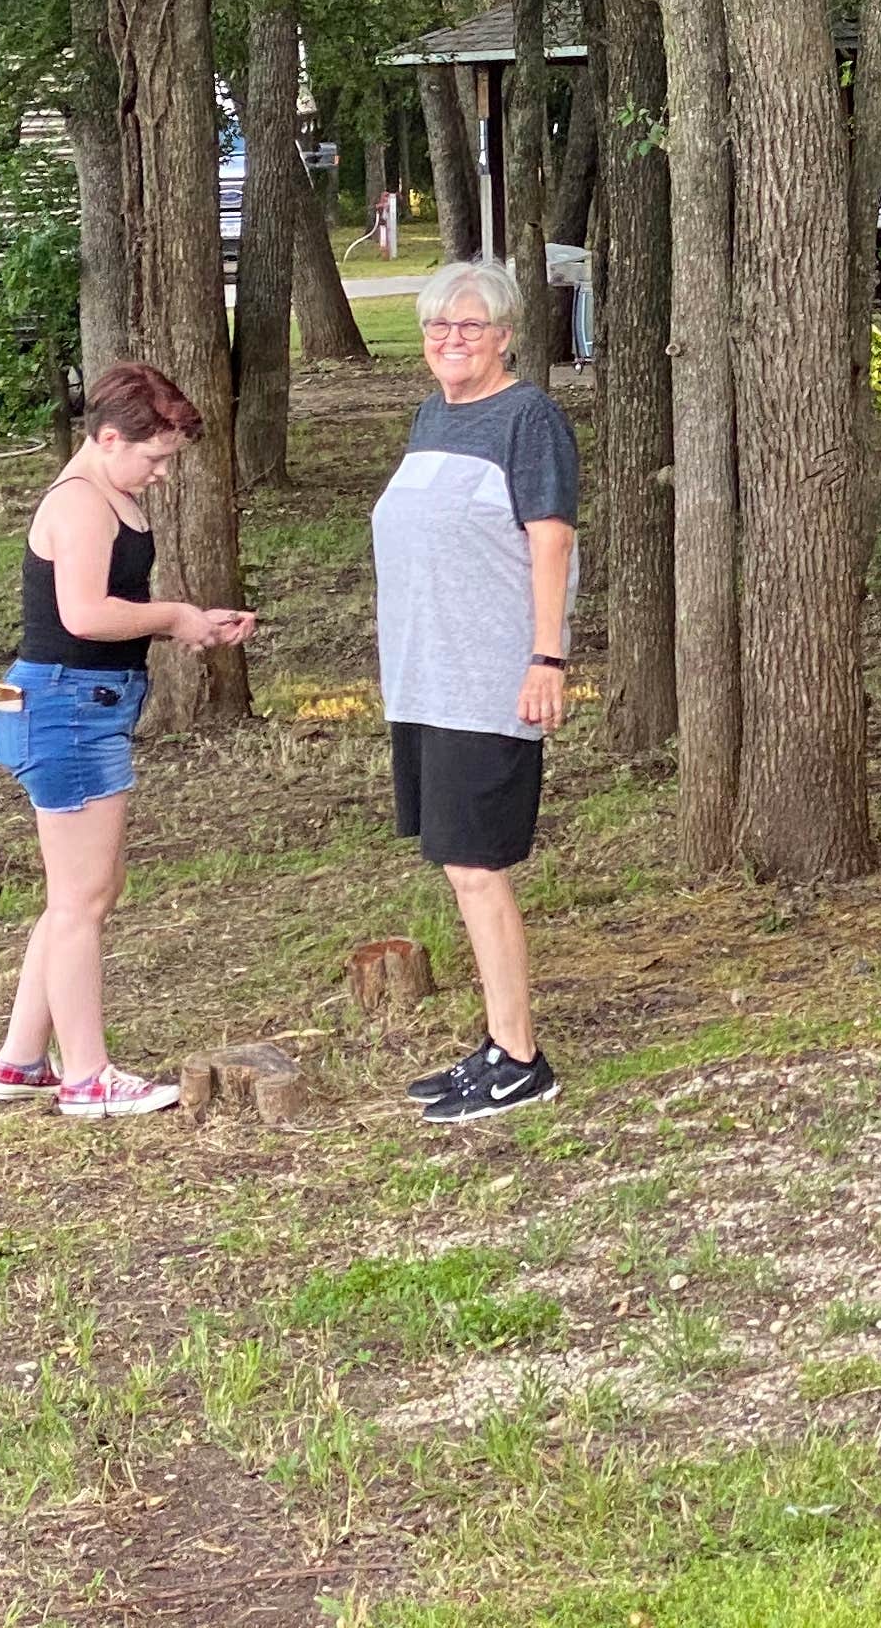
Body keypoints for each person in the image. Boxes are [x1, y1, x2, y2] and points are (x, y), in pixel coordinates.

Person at [0, 362, 256, 1119]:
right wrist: (175, 619)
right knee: (83, 900)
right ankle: (88, 1078)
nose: (164, 474)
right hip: (64, 707)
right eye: (155, 457)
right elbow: (83, 615)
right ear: (108, 439)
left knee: (76, 896)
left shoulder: (109, 492)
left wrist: (192, 619)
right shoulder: (80, 506)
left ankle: (22, 1060)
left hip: (83, 704)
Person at [373, 259, 578, 1121]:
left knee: (476, 867)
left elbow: (551, 541)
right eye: (436, 327)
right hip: (426, 680)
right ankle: (497, 1041)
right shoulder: (433, 415)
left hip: (489, 680)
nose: (450, 340)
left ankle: (522, 1059)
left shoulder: (527, 417)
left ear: (504, 336)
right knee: (458, 868)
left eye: (469, 327)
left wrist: (547, 658)